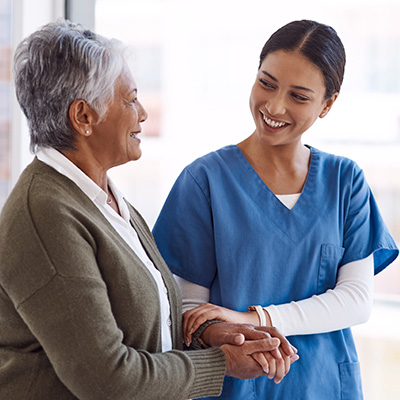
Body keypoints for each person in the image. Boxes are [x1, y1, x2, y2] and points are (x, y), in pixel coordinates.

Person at [0, 19, 299, 400]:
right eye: (130, 99)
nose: (142, 113)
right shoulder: (45, 214)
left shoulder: (106, 200)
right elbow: (107, 379)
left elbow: (145, 334)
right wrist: (221, 363)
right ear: (84, 117)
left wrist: (212, 336)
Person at [153, 19, 399, 400]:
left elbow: (355, 300)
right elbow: (191, 311)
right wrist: (231, 332)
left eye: (299, 96)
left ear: (327, 104)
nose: (274, 106)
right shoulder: (204, 181)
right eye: (266, 83)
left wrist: (257, 318)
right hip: (235, 386)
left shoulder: (345, 182)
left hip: (325, 386)